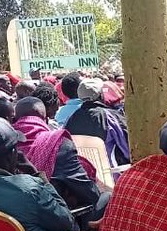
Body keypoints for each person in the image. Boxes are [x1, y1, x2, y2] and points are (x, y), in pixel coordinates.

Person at [12, 96, 107, 224]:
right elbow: (89, 193)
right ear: (45, 119)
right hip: (55, 222)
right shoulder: (57, 144)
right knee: (106, 197)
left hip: (13, 218)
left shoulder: (5, 143)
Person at [64, 78, 130, 165]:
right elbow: (128, 148)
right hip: (111, 172)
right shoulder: (110, 117)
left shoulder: (71, 119)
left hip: (83, 172)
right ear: (100, 95)